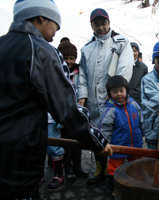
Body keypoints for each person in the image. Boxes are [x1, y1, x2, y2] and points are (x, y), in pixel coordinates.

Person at [0, 1, 112, 199]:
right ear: (41, 18)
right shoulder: (41, 50)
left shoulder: (2, 44)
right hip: (19, 156)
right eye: (55, 25)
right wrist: (98, 141)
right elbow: (67, 108)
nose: (56, 32)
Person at [77, 8, 134, 184]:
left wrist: (116, 94)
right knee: (97, 135)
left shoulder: (121, 43)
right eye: (96, 24)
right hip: (94, 101)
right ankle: (100, 169)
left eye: (103, 23)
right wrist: (83, 95)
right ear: (91, 26)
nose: (100, 27)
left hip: (114, 101)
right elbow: (83, 75)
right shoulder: (86, 49)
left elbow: (123, 70)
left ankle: (118, 172)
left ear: (109, 23)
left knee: (117, 133)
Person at [100, 75, 144, 197]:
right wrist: (105, 143)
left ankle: (136, 185)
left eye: (121, 91)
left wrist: (142, 134)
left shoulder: (134, 104)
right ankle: (113, 188)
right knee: (114, 168)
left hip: (135, 144)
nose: (119, 94)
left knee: (136, 166)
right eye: (115, 92)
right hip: (117, 146)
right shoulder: (110, 110)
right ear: (109, 94)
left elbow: (141, 120)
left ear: (126, 91)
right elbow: (105, 129)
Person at [58, 40, 89, 181]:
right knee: (66, 141)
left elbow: (82, 85)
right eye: (65, 58)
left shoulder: (78, 71)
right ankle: (68, 169)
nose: (69, 61)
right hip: (63, 113)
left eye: (71, 58)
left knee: (78, 140)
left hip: (77, 112)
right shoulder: (57, 71)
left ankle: (78, 167)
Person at [129, 42, 148, 106]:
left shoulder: (143, 67)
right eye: (131, 50)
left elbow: (145, 84)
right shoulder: (123, 65)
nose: (133, 53)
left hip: (138, 99)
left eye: (135, 51)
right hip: (124, 98)